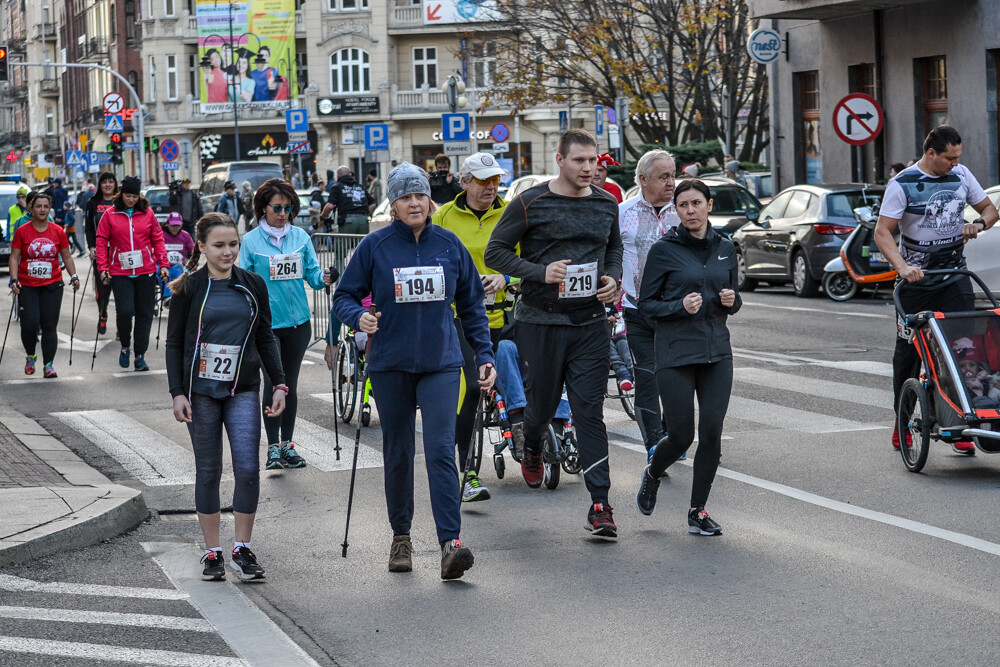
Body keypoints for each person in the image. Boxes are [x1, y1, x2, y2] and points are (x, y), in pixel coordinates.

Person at [333, 162, 495, 579]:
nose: (414, 203)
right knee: (399, 451)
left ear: (430, 199)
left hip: (441, 362)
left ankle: (450, 543)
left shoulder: (449, 244)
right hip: (390, 364)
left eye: (420, 195)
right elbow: (344, 297)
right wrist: (359, 318)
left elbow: (473, 304)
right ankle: (400, 537)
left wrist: (485, 354)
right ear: (394, 204)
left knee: (441, 449)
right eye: (405, 197)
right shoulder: (376, 246)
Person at [485, 128, 623, 538]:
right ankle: (531, 445)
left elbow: (613, 249)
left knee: (588, 414)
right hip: (540, 322)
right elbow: (496, 252)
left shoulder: (606, 204)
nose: (588, 168)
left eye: (592, 160)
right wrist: (540, 272)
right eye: (579, 160)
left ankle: (600, 505)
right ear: (559, 159)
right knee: (541, 407)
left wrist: (612, 278)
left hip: (590, 324)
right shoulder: (530, 202)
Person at [166, 212, 287, 582]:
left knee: (249, 469)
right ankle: (212, 552)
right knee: (209, 470)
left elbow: (265, 336)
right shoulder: (188, 287)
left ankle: (242, 549)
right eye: (219, 245)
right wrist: (177, 393)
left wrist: (279, 382)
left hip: (242, 388)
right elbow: (173, 343)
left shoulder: (252, 284)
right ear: (201, 247)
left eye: (233, 244)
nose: (228, 252)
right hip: (200, 392)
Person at [874, 125, 1000, 454]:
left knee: (964, 351)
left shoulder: (962, 175)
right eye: (949, 158)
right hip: (916, 280)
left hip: (954, 276)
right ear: (931, 153)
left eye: (958, 158)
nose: (955, 164)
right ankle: (902, 424)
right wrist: (902, 267)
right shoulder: (902, 184)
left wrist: (978, 224)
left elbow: (991, 209)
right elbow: (882, 232)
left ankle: (960, 425)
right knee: (908, 354)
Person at [635, 179, 741, 536]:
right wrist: (678, 307)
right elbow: (646, 305)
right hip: (676, 353)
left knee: (711, 432)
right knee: (681, 436)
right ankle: (652, 472)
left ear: (709, 205)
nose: (690, 211)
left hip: (716, 353)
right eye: (683, 205)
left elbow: (735, 299)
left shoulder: (726, 247)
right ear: (676, 211)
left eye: (697, 203)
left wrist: (732, 301)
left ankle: (697, 511)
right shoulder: (664, 250)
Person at [238, 178, 331, 471]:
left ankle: (289, 445)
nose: (283, 214)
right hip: (266, 326)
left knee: (289, 384)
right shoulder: (251, 241)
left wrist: (325, 277)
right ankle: (273, 447)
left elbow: (313, 276)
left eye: (288, 208)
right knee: (273, 382)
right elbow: (242, 281)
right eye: (277, 207)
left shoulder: (301, 237)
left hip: (298, 323)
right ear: (263, 208)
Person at [433, 152, 510, 503]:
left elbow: (531, 262)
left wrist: (505, 277)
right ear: (464, 183)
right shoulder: (443, 217)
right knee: (471, 390)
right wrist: (464, 282)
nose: (490, 187)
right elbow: (431, 264)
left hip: (504, 315)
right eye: (483, 181)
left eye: (495, 180)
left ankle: (535, 449)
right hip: (458, 318)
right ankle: (466, 473)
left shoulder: (510, 212)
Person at [618, 149, 679, 462]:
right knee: (647, 375)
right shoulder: (623, 212)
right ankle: (654, 444)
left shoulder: (683, 211)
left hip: (678, 312)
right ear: (642, 180)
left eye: (673, 175)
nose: (670, 182)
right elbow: (611, 256)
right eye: (663, 176)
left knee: (677, 376)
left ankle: (674, 434)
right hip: (638, 309)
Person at [96, 176, 170, 372]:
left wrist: (164, 265)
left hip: (145, 271)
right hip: (120, 272)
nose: (131, 200)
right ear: (122, 195)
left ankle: (140, 355)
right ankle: (125, 346)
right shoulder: (110, 215)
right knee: (126, 311)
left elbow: (158, 239)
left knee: (145, 314)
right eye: (128, 196)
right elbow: (102, 241)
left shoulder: (148, 214)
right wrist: (103, 268)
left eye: (134, 196)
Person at [7, 192, 81, 377]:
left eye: (45, 207)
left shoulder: (57, 231)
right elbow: (14, 258)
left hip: (52, 284)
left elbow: (66, 256)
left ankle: (49, 365)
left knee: (49, 325)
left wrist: (74, 276)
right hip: (28, 285)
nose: (42, 210)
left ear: (50, 209)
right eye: (38, 206)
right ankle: (31, 355)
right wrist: (14, 280)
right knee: (30, 324)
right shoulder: (23, 231)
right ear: (31, 208)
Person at [86, 173, 118, 335]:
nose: (107, 185)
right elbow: (89, 228)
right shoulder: (93, 203)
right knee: (102, 288)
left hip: (120, 252)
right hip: (100, 252)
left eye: (110, 182)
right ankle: (102, 313)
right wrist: (92, 247)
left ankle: (123, 326)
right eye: (104, 182)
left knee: (120, 289)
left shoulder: (121, 202)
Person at [323, 166, 373, 234]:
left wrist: (322, 217)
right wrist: (364, 214)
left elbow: (330, 206)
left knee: (346, 243)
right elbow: (373, 204)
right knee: (362, 244)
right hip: (363, 220)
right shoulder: (359, 187)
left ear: (338, 175)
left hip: (348, 221)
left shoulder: (337, 187)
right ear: (350, 174)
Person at [162, 212, 194, 302]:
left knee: (179, 272)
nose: (175, 228)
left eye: (177, 225)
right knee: (163, 274)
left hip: (178, 266)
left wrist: (193, 263)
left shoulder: (186, 236)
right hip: (162, 267)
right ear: (167, 224)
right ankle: (167, 297)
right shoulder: (161, 235)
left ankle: (177, 298)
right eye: (172, 225)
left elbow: (193, 251)